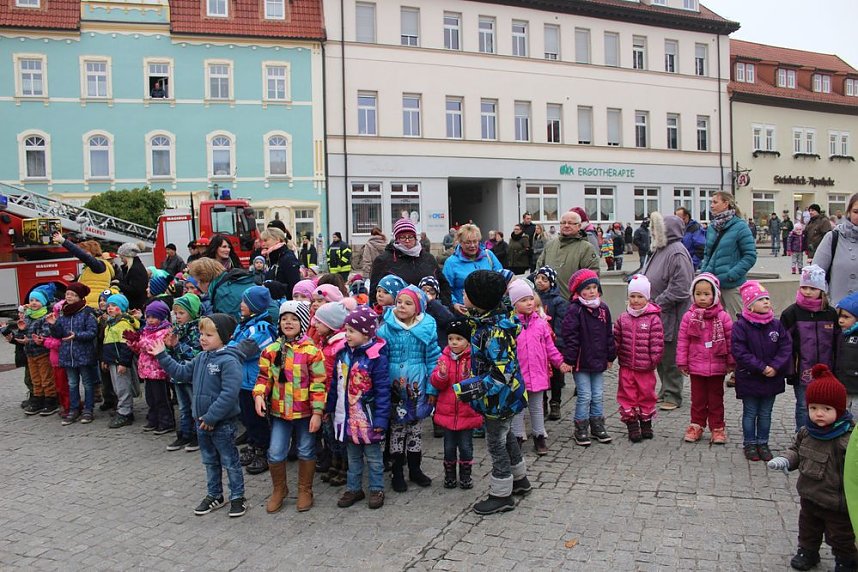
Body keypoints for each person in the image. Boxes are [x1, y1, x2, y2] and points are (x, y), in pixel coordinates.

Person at [152, 313, 248, 518]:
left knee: (230, 461)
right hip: (201, 422)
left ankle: (238, 496)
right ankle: (215, 495)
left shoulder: (229, 361)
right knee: (209, 461)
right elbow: (181, 373)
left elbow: (229, 394)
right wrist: (162, 355)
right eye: (202, 334)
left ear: (224, 336)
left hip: (220, 423)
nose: (202, 338)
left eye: (209, 335)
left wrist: (212, 417)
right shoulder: (202, 357)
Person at [767, 367, 858, 572]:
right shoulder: (806, 432)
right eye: (814, 407)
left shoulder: (848, 437)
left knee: (841, 535)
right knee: (808, 530)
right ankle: (807, 552)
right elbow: (796, 451)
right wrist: (785, 460)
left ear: (839, 409)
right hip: (809, 496)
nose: (819, 413)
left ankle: (846, 559)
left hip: (837, 502)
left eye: (826, 409)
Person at [455, 270, 530, 515]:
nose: (463, 294)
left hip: (499, 398)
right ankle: (520, 479)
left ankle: (501, 494)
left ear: (479, 298)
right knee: (506, 436)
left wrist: (469, 389)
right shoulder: (491, 319)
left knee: (496, 443)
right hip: (507, 396)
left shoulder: (494, 332)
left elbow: (501, 374)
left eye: (467, 292)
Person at [254, 301, 325, 513]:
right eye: (284, 318)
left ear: (302, 322)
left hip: (305, 413)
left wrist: (318, 412)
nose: (288, 322)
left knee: (305, 449)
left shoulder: (312, 351)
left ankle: (305, 489)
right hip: (279, 412)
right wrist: (259, 394)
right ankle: (279, 489)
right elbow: (264, 377)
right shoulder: (271, 350)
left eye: (293, 318)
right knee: (275, 452)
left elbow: (319, 384)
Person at [376, 286, 440, 492]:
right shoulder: (386, 328)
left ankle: (415, 468)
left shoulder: (427, 328)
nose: (402, 306)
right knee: (396, 430)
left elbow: (432, 359)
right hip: (394, 388)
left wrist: (432, 388)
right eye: (399, 302)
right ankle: (397, 471)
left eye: (408, 303)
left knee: (415, 430)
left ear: (418, 307)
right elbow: (380, 358)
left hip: (417, 387)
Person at [328, 305, 391, 510]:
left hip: (368, 418)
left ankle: (376, 488)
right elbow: (335, 384)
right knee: (353, 457)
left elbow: (383, 391)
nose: (347, 335)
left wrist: (382, 419)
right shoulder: (343, 354)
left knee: (373, 457)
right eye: (346, 330)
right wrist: (329, 407)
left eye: (352, 331)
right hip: (346, 416)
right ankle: (354, 488)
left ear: (366, 334)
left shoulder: (376, 358)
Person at [731, 281, 792, 462]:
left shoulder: (776, 325)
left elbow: (785, 347)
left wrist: (775, 366)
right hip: (750, 377)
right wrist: (761, 367)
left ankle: (763, 442)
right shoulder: (741, 326)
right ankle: (750, 443)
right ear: (750, 305)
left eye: (767, 298)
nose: (766, 302)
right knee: (750, 412)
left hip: (771, 378)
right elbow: (740, 351)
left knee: (766, 413)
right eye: (761, 299)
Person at [508, 280, 571, 454]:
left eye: (530, 299)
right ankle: (517, 436)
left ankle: (539, 436)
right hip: (518, 375)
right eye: (523, 300)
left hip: (537, 374)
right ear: (514, 304)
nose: (529, 303)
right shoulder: (510, 326)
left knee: (537, 408)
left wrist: (560, 362)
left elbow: (550, 347)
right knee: (518, 408)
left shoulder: (541, 324)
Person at [642, 213, 693, 411]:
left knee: (670, 356)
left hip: (670, 314)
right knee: (661, 355)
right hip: (657, 313)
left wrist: (657, 302)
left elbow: (681, 288)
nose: (653, 232)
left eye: (656, 228)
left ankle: (673, 394)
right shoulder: (661, 249)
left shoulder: (676, 252)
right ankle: (665, 391)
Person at [676, 274, 734, 444]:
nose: (702, 298)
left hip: (717, 365)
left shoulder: (723, 317)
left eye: (706, 294)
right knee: (698, 399)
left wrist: (731, 362)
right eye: (698, 294)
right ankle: (697, 425)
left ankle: (717, 427)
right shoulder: (689, 316)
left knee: (716, 399)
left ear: (715, 295)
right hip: (696, 365)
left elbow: (730, 340)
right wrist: (682, 361)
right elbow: (683, 340)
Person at [780, 265, 838, 433]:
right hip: (802, 370)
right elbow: (785, 345)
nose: (807, 291)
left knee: (825, 405)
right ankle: (802, 437)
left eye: (812, 288)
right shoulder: (791, 313)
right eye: (804, 287)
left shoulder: (830, 313)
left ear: (822, 290)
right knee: (803, 405)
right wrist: (789, 371)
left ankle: (822, 437)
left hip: (827, 370)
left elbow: (836, 343)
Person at [561, 269, 616, 447]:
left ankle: (597, 424)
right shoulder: (575, 310)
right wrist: (569, 359)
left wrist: (610, 356)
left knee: (598, 394)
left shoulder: (603, 309)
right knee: (585, 395)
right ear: (578, 291)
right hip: (580, 361)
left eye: (594, 287)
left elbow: (609, 334)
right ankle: (581, 426)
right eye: (587, 288)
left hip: (598, 360)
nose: (592, 291)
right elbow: (570, 337)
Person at [430, 319, 482, 489]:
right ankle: (450, 474)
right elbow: (436, 383)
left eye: (458, 339)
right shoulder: (443, 358)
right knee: (449, 447)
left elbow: (478, 383)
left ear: (467, 341)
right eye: (451, 338)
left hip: (467, 412)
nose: (453, 342)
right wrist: (442, 376)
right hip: (447, 412)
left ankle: (466, 474)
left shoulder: (473, 358)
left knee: (466, 447)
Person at [230, 286, 276, 476]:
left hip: (255, 382)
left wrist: (226, 350)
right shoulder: (245, 324)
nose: (241, 305)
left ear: (255, 306)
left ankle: (263, 450)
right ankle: (253, 443)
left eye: (245, 302)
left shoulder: (262, 328)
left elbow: (244, 350)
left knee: (258, 420)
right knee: (247, 418)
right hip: (243, 380)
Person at [614, 275, 664, 442]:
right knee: (627, 395)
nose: (635, 300)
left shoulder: (653, 319)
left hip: (645, 367)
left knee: (646, 394)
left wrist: (654, 359)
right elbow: (616, 338)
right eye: (632, 296)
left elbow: (657, 341)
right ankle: (632, 424)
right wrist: (612, 353)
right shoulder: (623, 318)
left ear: (647, 298)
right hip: (627, 365)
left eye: (640, 296)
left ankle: (646, 422)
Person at [699, 191, 757, 319]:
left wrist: (731, 275)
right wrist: (704, 274)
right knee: (714, 325)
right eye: (711, 202)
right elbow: (707, 254)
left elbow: (750, 256)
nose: (711, 205)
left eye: (715, 202)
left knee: (738, 324)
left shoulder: (740, 226)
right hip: (712, 285)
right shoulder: (712, 227)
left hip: (732, 286)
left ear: (726, 204)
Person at [369, 218, 452, 308]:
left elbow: (443, 285)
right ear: (396, 239)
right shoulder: (383, 260)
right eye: (403, 237)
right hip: (397, 315)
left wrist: (445, 307)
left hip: (429, 313)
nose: (407, 240)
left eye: (410, 237)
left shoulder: (428, 258)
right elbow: (374, 293)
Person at [48, 282, 99, 425]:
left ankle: (88, 410)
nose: (69, 297)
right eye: (67, 294)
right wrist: (53, 325)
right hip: (67, 355)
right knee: (72, 383)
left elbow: (92, 332)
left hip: (83, 354)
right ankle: (74, 409)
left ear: (79, 297)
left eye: (73, 295)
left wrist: (76, 335)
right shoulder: (63, 312)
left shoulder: (87, 312)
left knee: (88, 383)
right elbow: (59, 335)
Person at [127, 300, 175, 435]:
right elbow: (140, 350)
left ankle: (166, 421)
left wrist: (140, 341)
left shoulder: (165, 331)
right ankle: (153, 419)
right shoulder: (146, 331)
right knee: (150, 398)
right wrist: (132, 343)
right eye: (148, 317)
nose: (150, 320)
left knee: (161, 398)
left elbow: (153, 347)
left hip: (158, 371)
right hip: (147, 370)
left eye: (154, 317)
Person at [529, 266, 568, 420]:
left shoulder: (558, 301)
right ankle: (542, 402)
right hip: (538, 345)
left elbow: (561, 324)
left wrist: (558, 343)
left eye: (544, 279)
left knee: (556, 376)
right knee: (541, 374)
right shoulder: (532, 299)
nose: (539, 281)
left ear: (551, 282)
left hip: (553, 344)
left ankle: (555, 403)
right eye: (538, 278)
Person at [165, 293, 202, 450]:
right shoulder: (177, 329)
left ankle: (197, 435)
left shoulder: (197, 330)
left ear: (192, 312)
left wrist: (176, 346)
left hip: (191, 375)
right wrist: (167, 346)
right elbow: (172, 354)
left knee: (195, 406)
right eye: (176, 313)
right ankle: (184, 434)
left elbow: (196, 353)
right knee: (183, 407)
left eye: (182, 313)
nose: (178, 317)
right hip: (177, 375)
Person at [536, 210, 600, 300]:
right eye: (563, 223)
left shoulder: (586, 248)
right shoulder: (550, 245)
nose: (566, 225)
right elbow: (539, 268)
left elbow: (592, 276)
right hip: (548, 303)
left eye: (570, 223)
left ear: (579, 226)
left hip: (573, 304)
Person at [441, 223, 502, 311]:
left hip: (491, 309)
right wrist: (454, 304)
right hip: (465, 311)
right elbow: (445, 289)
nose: (472, 245)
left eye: (475, 241)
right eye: (468, 242)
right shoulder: (451, 262)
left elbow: (501, 278)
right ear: (460, 242)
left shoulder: (489, 256)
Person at [811, 193, 858, 306]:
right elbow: (814, 275)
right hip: (837, 314)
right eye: (856, 212)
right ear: (848, 213)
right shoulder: (833, 238)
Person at [101, 294, 139, 429]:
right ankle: (122, 408)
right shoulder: (110, 324)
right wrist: (105, 360)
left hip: (120, 362)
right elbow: (106, 343)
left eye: (114, 306)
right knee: (117, 387)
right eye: (109, 305)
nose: (110, 308)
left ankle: (125, 412)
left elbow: (126, 346)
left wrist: (123, 363)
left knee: (123, 387)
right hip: (112, 361)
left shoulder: (123, 324)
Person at [18, 290, 57, 416]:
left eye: (37, 300)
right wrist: (21, 332)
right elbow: (23, 332)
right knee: (35, 379)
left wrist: (36, 339)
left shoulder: (45, 317)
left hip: (42, 353)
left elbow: (46, 334)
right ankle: (37, 399)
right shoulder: (28, 316)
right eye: (31, 300)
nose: (34, 303)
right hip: (30, 353)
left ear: (44, 302)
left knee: (46, 378)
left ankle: (51, 400)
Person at [53, 233, 114, 308]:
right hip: (91, 304)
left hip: (94, 306)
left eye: (85, 251)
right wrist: (75, 279)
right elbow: (92, 282)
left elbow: (82, 255)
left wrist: (63, 241)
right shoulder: (94, 266)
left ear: (92, 252)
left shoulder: (98, 265)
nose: (82, 254)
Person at [259, 227, 301, 300]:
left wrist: (275, 287)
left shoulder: (288, 258)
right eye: (262, 241)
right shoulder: (271, 258)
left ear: (277, 239)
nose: (263, 244)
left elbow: (294, 286)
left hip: (285, 303)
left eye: (266, 240)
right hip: (273, 302)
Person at [835, 292, 858, 413]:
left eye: (846, 317)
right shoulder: (841, 334)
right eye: (839, 316)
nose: (841, 321)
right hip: (843, 384)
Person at [116, 242, 150, 311]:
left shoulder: (135, 269)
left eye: (122, 258)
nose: (121, 260)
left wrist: (118, 284)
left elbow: (135, 290)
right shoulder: (135, 267)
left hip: (136, 306)